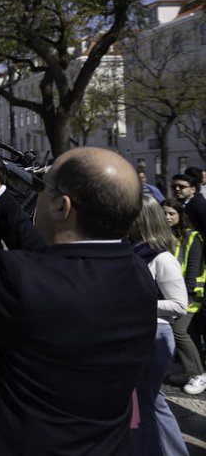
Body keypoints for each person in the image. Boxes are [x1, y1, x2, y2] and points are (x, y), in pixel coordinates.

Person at [0, 146, 157, 455]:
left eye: (42, 187)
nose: (36, 195)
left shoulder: (21, 279)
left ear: (61, 207)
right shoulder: (137, 275)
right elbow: (54, 262)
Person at [128, 194, 189, 456]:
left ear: (141, 220)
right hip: (140, 334)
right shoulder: (135, 251)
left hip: (155, 335)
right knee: (150, 401)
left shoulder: (162, 259)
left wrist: (136, 303)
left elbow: (179, 305)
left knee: (146, 403)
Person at [162, 198, 206, 395]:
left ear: (181, 216)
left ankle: (197, 374)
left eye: (171, 213)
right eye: (164, 213)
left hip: (191, 294)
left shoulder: (192, 237)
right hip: (177, 294)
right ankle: (192, 372)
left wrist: (186, 296)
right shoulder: (169, 236)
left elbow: (193, 269)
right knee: (190, 333)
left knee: (179, 331)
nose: (167, 217)